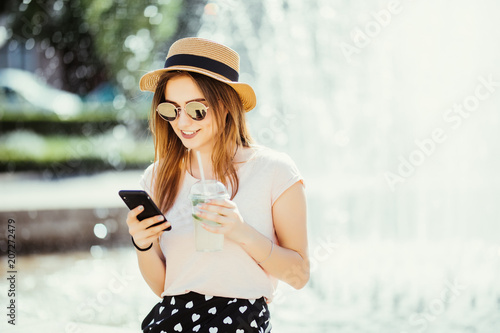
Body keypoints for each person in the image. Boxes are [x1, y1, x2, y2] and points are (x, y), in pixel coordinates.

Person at [126, 37, 309, 333]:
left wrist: (241, 232)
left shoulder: (275, 170)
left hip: (240, 322)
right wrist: (143, 243)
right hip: (171, 322)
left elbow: (299, 275)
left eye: (196, 110)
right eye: (171, 110)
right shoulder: (157, 177)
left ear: (225, 105)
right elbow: (164, 288)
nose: (182, 122)